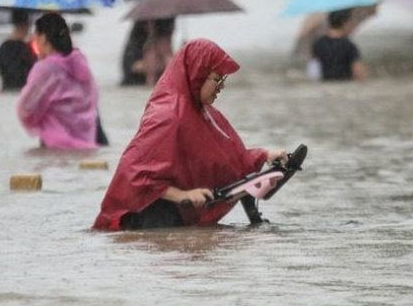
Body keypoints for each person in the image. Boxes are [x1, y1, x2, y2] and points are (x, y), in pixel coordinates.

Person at [93, 39, 286, 231]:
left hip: (177, 216)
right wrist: (182, 195)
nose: (221, 87)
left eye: (223, 80)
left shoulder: (204, 113)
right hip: (148, 217)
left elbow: (225, 158)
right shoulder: (167, 114)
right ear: (198, 75)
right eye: (217, 79)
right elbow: (135, 173)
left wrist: (264, 155)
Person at [17, 13, 101, 149]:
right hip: (87, 143)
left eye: (35, 37)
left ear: (43, 38)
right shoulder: (81, 62)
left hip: (55, 145)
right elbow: (93, 99)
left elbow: (26, 108)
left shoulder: (45, 69)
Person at [310, 9, 367, 81]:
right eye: (351, 22)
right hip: (345, 85)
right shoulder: (349, 45)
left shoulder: (318, 43)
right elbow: (358, 71)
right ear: (345, 23)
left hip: (325, 84)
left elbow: (313, 69)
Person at [0, 9, 37, 91]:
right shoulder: (27, 48)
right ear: (26, 26)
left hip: (7, 89)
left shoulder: (4, 46)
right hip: (25, 90)